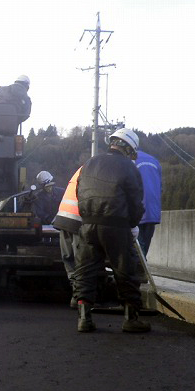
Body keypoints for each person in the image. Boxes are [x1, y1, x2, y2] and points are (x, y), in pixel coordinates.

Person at [73, 128, 149, 333]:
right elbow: (135, 201)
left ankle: (84, 319)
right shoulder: (129, 167)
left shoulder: (89, 163)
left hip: (88, 224)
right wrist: (133, 224)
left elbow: (79, 192)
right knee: (126, 271)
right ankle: (131, 319)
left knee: (85, 271)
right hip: (116, 225)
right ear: (128, 148)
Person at [51, 166, 83, 305]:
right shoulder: (99, 171)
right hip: (77, 220)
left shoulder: (82, 170)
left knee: (68, 258)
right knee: (80, 261)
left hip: (63, 219)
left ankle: (76, 294)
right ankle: (80, 297)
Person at [135, 150, 162, 256]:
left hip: (136, 213)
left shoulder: (129, 161)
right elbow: (160, 188)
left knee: (137, 255)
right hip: (153, 213)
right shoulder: (154, 161)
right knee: (143, 252)